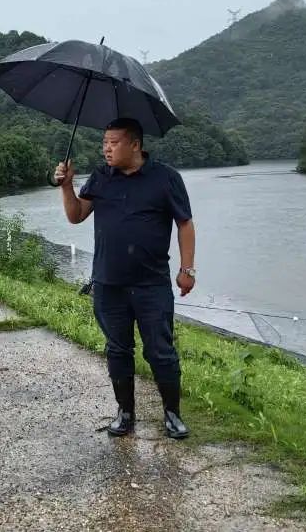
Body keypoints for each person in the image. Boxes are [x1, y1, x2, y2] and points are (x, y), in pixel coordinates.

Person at [54, 117, 196, 439]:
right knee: (117, 349)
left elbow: (185, 225)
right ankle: (125, 412)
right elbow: (76, 215)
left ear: (135, 145)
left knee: (160, 350)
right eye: (104, 142)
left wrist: (187, 270)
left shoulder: (165, 178)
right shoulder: (101, 178)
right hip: (108, 284)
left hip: (152, 285)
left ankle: (172, 414)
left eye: (113, 142)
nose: (106, 148)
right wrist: (66, 186)